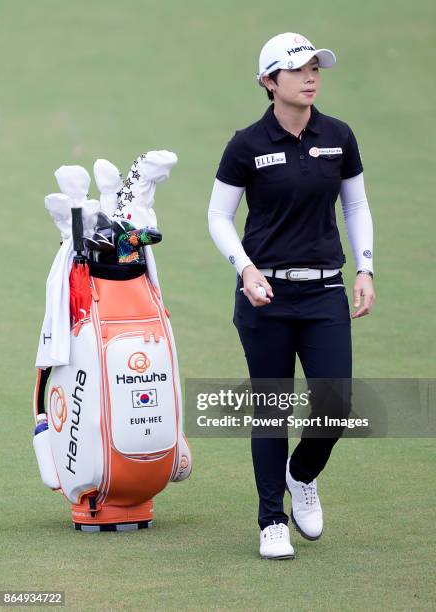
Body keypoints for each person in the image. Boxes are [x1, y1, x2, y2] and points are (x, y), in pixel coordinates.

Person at [208, 32, 375, 560]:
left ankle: (301, 474)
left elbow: (356, 207)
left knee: (337, 402)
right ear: (269, 82)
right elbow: (218, 216)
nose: (310, 77)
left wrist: (365, 269)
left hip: (325, 290)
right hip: (265, 296)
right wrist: (245, 267)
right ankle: (270, 521)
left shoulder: (338, 136)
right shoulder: (246, 145)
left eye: (315, 69)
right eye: (298, 70)